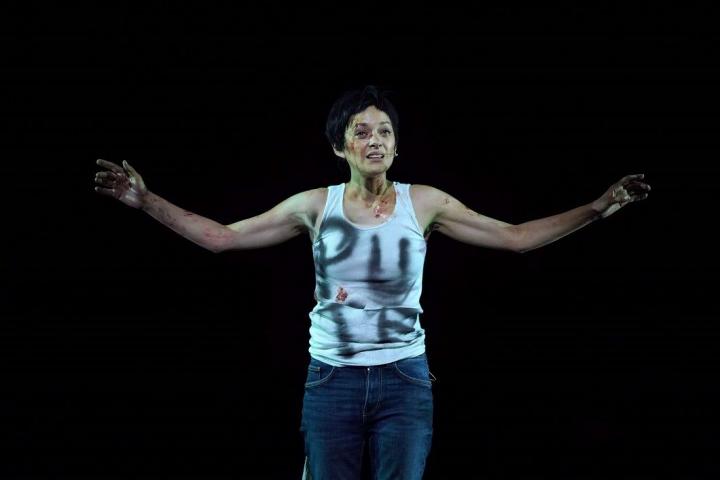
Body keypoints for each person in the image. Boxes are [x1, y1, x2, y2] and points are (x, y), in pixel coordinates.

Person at [94, 85, 650, 479]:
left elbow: (515, 237)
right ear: (341, 147)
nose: (376, 140)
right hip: (331, 380)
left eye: (385, 131)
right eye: (361, 132)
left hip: (404, 380)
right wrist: (146, 201)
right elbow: (222, 237)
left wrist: (597, 208)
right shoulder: (315, 205)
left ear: (397, 145)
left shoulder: (424, 203)